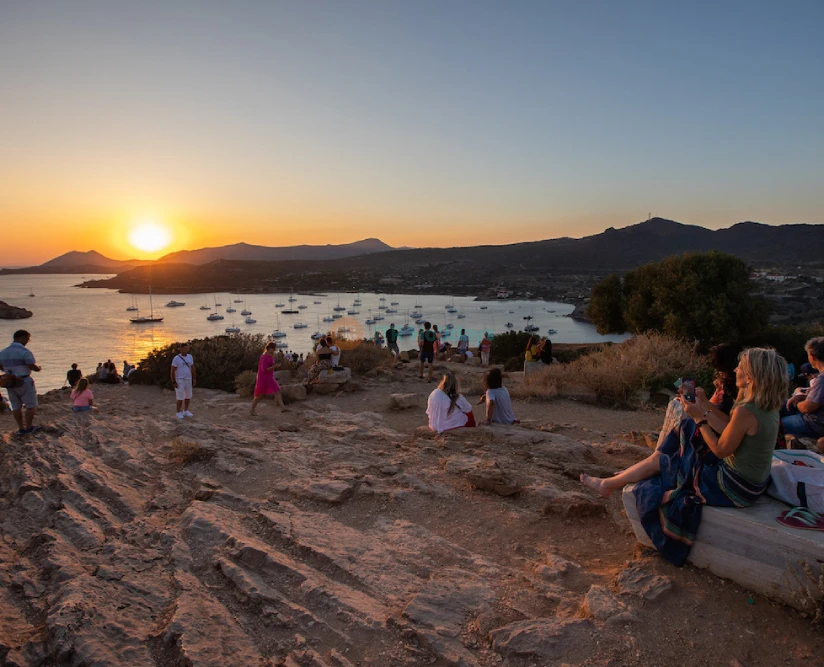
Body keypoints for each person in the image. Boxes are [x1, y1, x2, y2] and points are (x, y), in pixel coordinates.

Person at [581, 347, 787, 566]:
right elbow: (728, 427)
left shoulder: (746, 411)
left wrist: (699, 418)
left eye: (741, 367)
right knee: (686, 435)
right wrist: (705, 405)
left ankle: (609, 484)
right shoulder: (764, 406)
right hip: (754, 484)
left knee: (664, 460)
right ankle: (633, 473)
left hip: (732, 487)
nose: (735, 369)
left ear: (750, 377)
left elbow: (719, 449)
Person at [780, 337, 824, 439]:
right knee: (779, 404)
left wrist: (797, 404)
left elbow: (807, 407)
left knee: (776, 425)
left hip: (814, 424)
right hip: (813, 418)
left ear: (812, 356)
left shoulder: (822, 379)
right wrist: (803, 397)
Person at [0, 330, 42, 436]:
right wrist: (38, 369)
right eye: (27, 339)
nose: (28, 341)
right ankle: (29, 427)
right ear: (22, 338)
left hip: (9, 382)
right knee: (31, 405)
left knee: (16, 406)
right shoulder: (24, 351)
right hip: (24, 380)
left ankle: (20, 428)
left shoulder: (3, 352)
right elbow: (31, 365)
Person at [251, 342, 286, 415]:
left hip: (270, 378)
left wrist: (275, 365)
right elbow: (264, 369)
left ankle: (283, 408)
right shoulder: (264, 357)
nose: (274, 350)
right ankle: (252, 410)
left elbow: (271, 365)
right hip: (263, 378)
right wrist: (274, 366)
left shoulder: (270, 356)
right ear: (270, 348)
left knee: (277, 390)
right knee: (260, 395)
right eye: (273, 349)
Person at [171, 342, 196, 419]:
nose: (186, 350)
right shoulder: (176, 358)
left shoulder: (190, 357)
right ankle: (178, 412)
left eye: (187, 348)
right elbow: (172, 370)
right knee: (180, 397)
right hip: (180, 379)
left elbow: (192, 367)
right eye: (185, 349)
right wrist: (174, 381)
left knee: (188, 396)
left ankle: (186, 410)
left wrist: (194, 378)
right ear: (181, 349)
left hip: (188, 379)